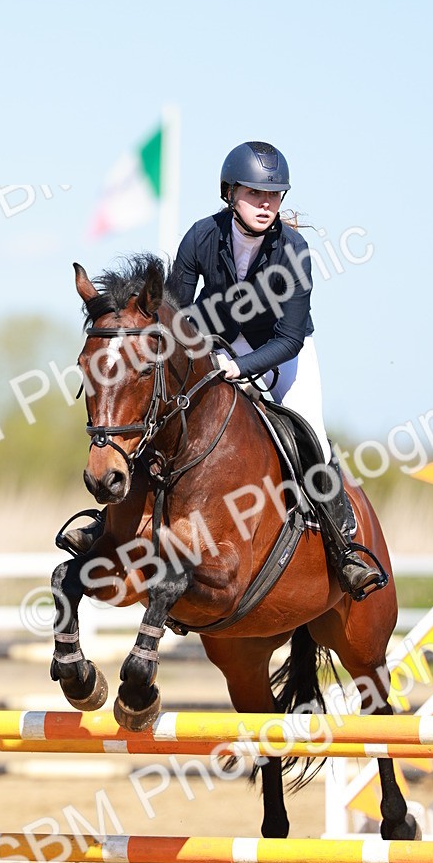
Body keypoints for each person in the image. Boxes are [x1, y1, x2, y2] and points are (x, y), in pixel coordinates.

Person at [165, 140, 384, 598]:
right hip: (218, 345)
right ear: (230, 193)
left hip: (282, 354)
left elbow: (290, 338)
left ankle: (345, 550)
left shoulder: (293, 249)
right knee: (169, 417)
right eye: (255, 194)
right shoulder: (201, 237)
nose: (267, 204)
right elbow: (175, 314)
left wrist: (239, 369)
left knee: (313, 437)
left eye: (274, 195)